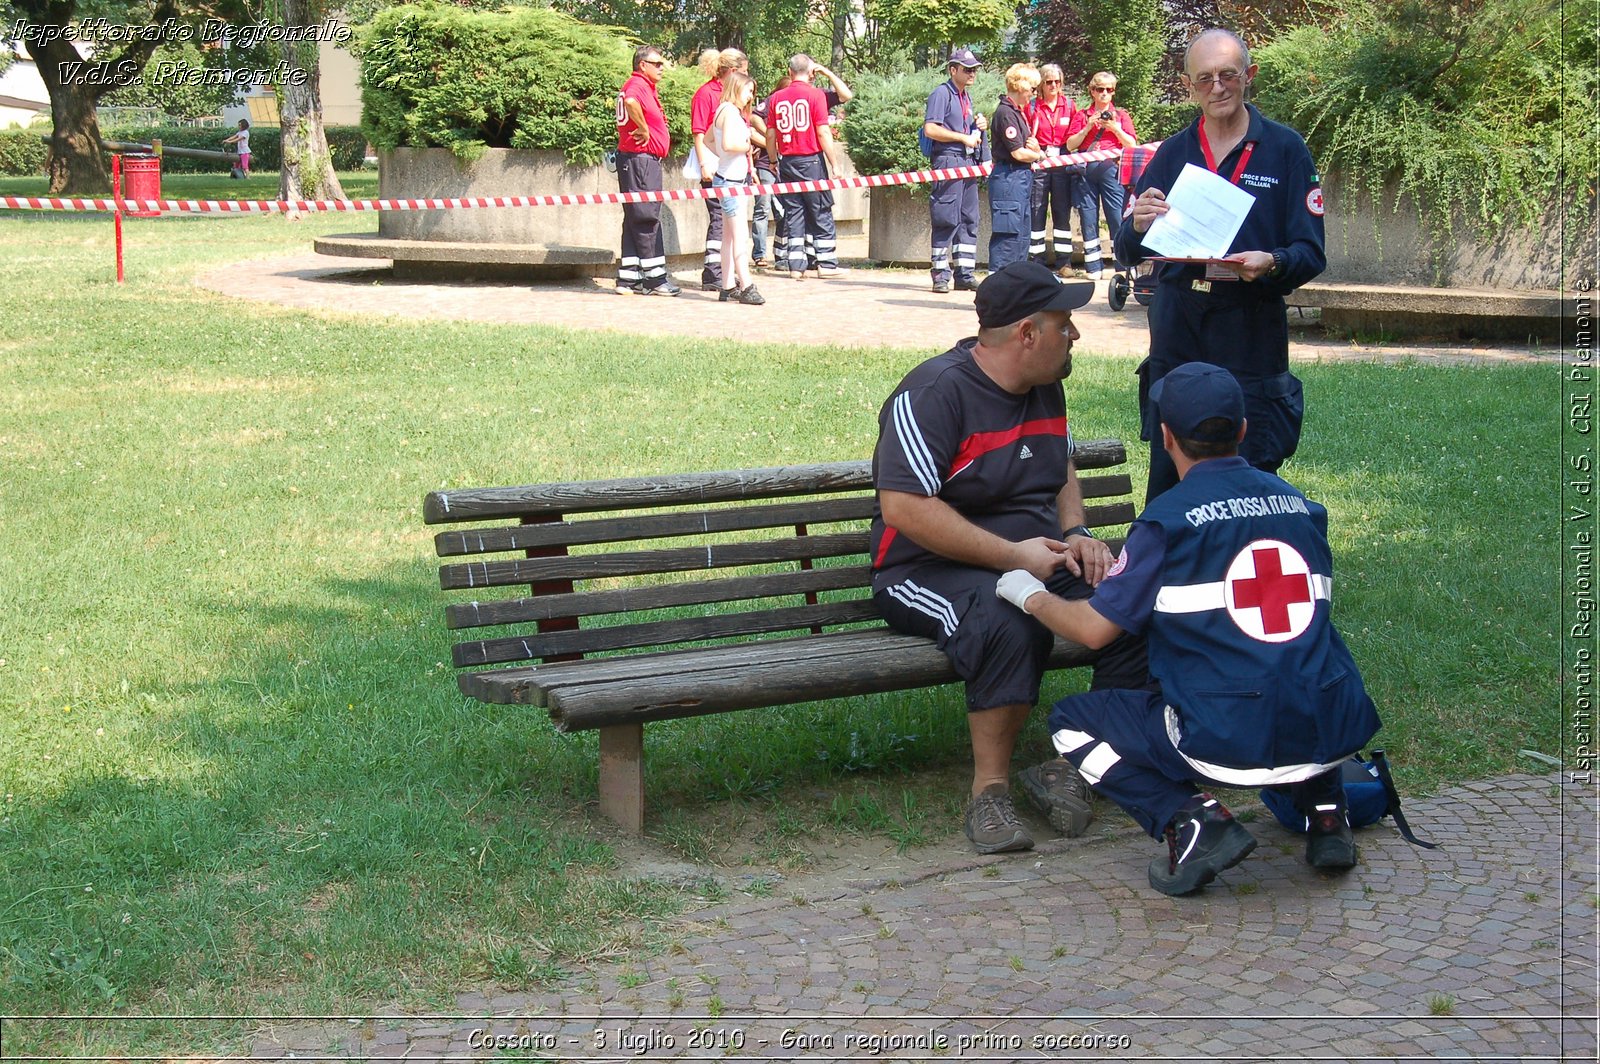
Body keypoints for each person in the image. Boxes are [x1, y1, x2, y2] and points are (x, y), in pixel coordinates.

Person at [993, 362, 1381, 896]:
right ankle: (1327, 815)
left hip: (1224, 737)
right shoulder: (1304, 509)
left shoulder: (1167, 524)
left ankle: (1192, 820)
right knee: (1292, 662)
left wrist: (1024, 591)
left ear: (1167, 437)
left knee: (1071, 723)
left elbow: (1093, 630)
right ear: (1244, 431)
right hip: (1331, 724)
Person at [870, 261, 1151, 855]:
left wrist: (1075, 530)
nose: (1075, 334)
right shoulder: (932, 394)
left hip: (1033, 556)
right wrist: (1010, 558)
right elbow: (904, 509)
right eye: (1064, 323)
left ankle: (1071, 762)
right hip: (924, 570)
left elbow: (1061, 465)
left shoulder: (1046, 385)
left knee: (1130, 612)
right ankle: (989, 792)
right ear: (1027, 333)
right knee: (1008, 623)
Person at [1115, 28, 1326, 503]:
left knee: (1248, 471)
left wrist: (1272, 262)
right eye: (1204, 78)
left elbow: (1311, 253)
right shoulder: (1172, 154)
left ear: (1248, 77)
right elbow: (1127, 252)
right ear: (1189, 86)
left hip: (1248, 329)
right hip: (1178, 330)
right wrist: (1138, 225)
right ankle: (1167, 568)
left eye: (1228, 75)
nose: (1217, 87)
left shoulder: (1285, 150)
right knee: (1171, 479)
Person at [765, 54, 843, 279]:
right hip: (811, 161)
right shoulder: (816, 95)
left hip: (787, 162)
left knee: (794, 213)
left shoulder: (776, 98)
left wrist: (772, 160)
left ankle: (795, 266)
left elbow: (771, 134)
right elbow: (823, 131)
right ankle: (827, 264)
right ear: (811, 73)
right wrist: (835, 163)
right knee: (820, 211)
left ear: (789, 72)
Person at [613, 45, 680, 296]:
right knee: (646, 216)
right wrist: (643, 128)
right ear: (643, 65)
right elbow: (630, 101)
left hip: (637, 160)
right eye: (657, 63)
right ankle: (655, 278)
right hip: (640, 161)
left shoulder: (644, 86)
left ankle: (628, 278)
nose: (662, 68)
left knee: (635, 216)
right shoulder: (637, 85)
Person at [923, 48, 989, 293]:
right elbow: (931, 129)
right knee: (946, 218)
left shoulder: (965, 97)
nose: (972, 73)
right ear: (953, 70)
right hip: (948, 161)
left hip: (967, 162)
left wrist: (977, 126)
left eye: (974, 69)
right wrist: (963, 138)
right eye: (967, 69)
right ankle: (940, 275)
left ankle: (964, 274)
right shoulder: (942, 93)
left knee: (968, 219)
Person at [1063, 71, 1137, 278]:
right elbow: (1070, 145)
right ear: (1092, 91)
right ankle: (1093, 267)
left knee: (1116, 216)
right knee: (1088, 216)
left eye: (1109, 89)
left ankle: (1121, 265)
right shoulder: (1082, 115)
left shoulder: (1121, 116)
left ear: (1113, 92)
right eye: (1100, 89)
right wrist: (1088, 126)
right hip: (1086, 170)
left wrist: (1114, 128)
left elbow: (1132, 144)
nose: (1104, 93)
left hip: (1111, 169)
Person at [691, 48, 746, 292]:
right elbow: (700, 132)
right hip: (716, 165)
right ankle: (714, 273)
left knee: (726, 223)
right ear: (733, 72)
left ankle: (724, 274)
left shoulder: (731, 97)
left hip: (731, 167)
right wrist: (705, 163)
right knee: (719, 220)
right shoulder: (707, 94)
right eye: (744, 72)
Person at [711, 72, 765, 305]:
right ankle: (746, 285)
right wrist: (746, 145)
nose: (750, 97)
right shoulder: (732, 113)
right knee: (739, 236)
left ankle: (727, 285)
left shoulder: (721, 110)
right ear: (737, 88)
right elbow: (728, 144)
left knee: (729, 237)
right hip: (731, 181)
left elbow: (708, 142)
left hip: (726, 177)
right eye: (748, 91)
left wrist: (723, 158)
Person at [988, 63, 1043, 272]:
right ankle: (998, 288)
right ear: (1020, 86)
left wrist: (1036, 151)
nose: (1033, 93)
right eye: (1032, 88)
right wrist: (1038, 155)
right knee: (1008, 237)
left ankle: (1014, 288)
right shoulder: (1005, 113)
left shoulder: (1017, 113)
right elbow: (1018, 152)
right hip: (1009, 179)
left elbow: (1027, 147)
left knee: (1021, 236)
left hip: (1019, 179)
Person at [1028, 65, 1079, 274]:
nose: (1054, 86)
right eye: (1049, 82)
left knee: (1061, 211)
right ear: (1041, 84)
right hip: (1039, 164)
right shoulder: (1032, 107)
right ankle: (1036, 261)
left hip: (1061, 163)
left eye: (1057, 82)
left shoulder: (1069, 106)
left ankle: (1064, 262)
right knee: (1037, 210)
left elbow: (1075, 135)